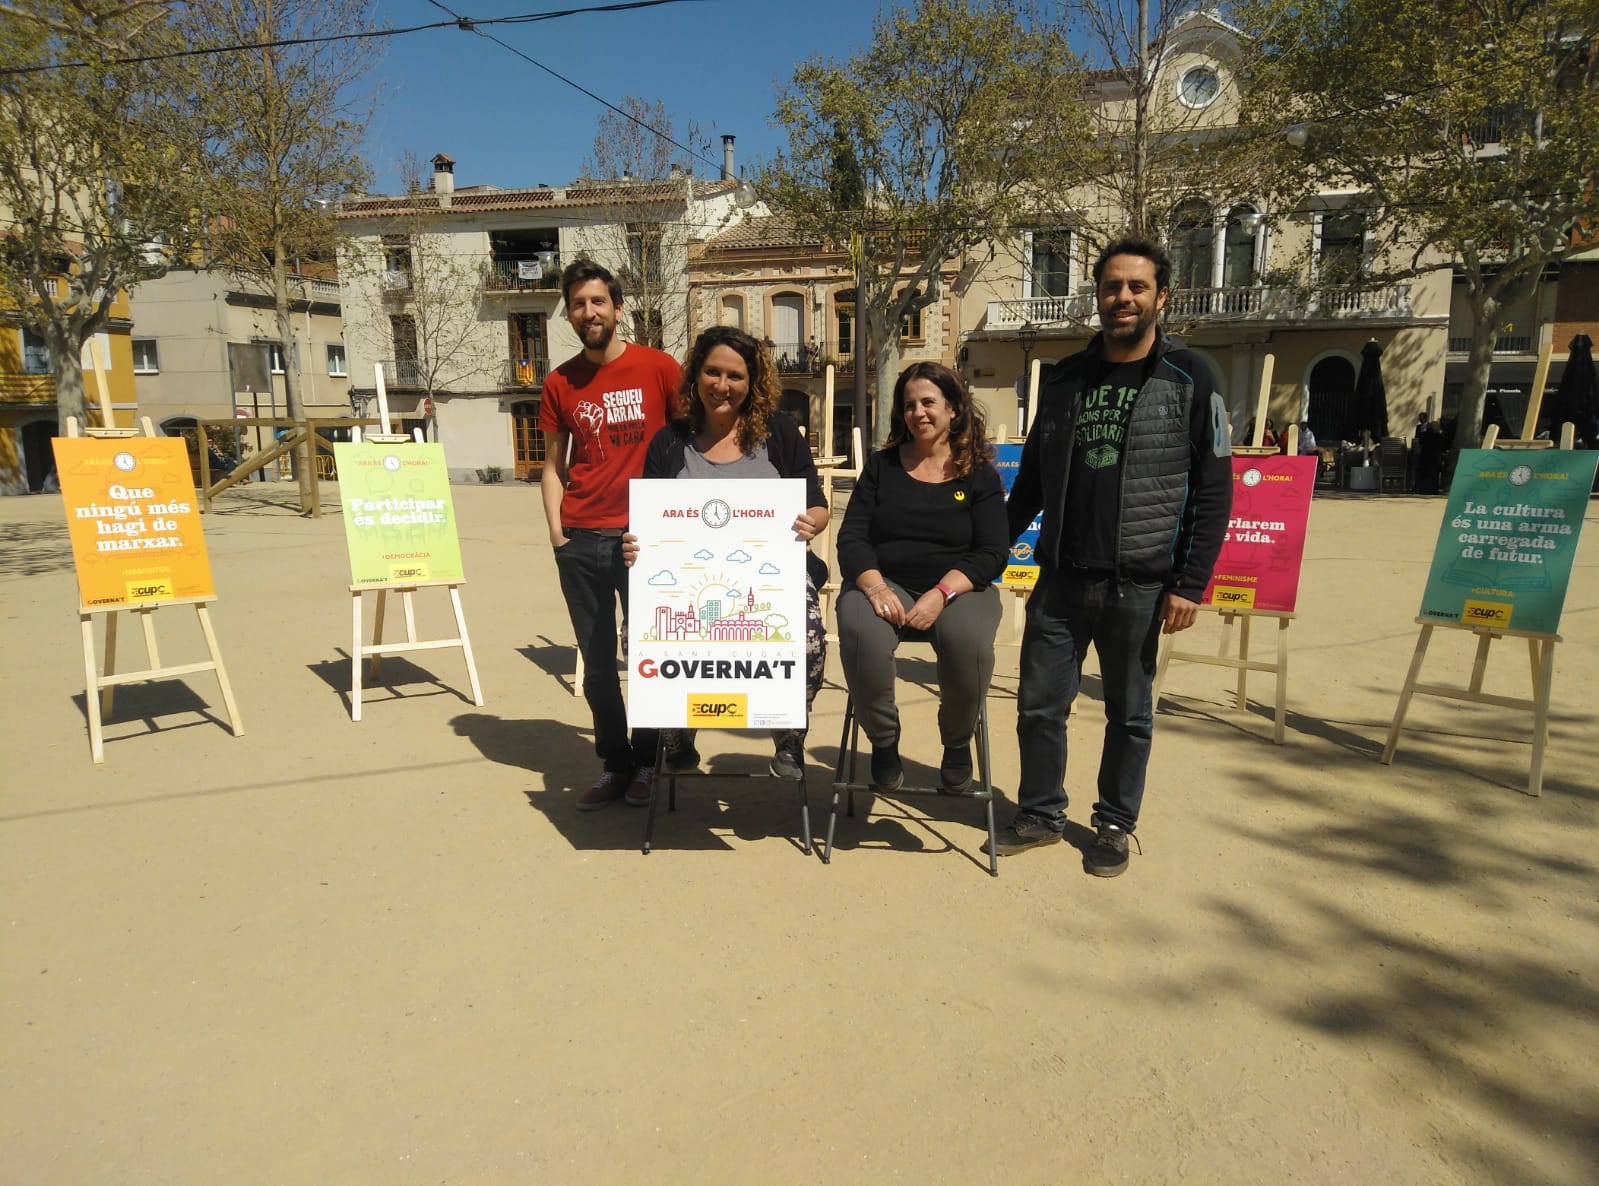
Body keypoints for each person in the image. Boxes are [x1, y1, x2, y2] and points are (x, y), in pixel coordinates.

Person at [994, 238, 1232, 876]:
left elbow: (1214, 487)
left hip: (1142, 583)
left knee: (1129, 713)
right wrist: (989, 549)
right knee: (1039, 705)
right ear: (1095, 295)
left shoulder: (1193, 376)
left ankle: (1113, 824)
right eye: (1111, 287)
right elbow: (1036, 483)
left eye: (1136, 287)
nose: (1122, 298)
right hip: (1061, 578)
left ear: (1161, 297)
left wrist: (1192, 582)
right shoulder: (1066, 378)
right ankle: (1041, 812)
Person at [622, 327, 830, 779]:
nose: (722, 385)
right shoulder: (669, 441)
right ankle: (677, 735)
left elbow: (817, 504)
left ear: (752, 381)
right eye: (712, 372)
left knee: (809, 634)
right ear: (695, 376)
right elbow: (646, 520)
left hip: (770, 577)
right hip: (684, 581)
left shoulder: (778, 433)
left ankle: (788, 737)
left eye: (735, 375)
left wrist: (811, 520)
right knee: (636, 630)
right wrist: (634, 543)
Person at [541, 259, 680, 810]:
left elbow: (687, 446)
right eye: (578, 304)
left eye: (598, 301)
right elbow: (552, 465)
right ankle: (615, 764)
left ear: (618, 309)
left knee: (646, 655)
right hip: (581, 537)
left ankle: (647, 761)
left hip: (645, 540)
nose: (589, 311)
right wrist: (558, 534)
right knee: (597, 664)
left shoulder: (659, 368)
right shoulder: (559, 382)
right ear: (569, 314)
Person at [835, 361, 1008, 794]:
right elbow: (852, 537)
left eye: (928, 402)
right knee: (859, 632)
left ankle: (956, 742)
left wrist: (941, 593)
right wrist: (874, 586)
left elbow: (992, 552)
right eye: (909, 405)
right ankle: (885, 742)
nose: (919, 412)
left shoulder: (979, 472)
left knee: (968, 644)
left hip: (958, 586)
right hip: (886, 579)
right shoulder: (881, 467)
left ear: (953, 408)